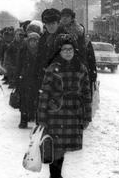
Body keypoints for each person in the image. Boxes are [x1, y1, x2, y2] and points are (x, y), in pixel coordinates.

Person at [37, 34, 92, 178]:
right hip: (56, 113)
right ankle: (55, 175)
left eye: (70, 49)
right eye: (64, 49)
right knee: (56, 147)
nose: (68, 52)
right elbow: (44, 94)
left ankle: (56, 174)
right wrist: (41, 118)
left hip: (74, 113)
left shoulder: (81, 68)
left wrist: (87, 116)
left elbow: (87, 94)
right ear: (59, 51)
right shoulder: (52, 68)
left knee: (63, 147)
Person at [17, 32, 40, 128]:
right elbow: (19, 65)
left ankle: (37, 121)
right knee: (24, 102)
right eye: (31, 41)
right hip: (25, 80)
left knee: (37, 101)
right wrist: (17, 79)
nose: (32, 43)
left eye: (35, 41)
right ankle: (23, 121)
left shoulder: (41, 52)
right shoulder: (23, 51)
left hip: (37, 80)